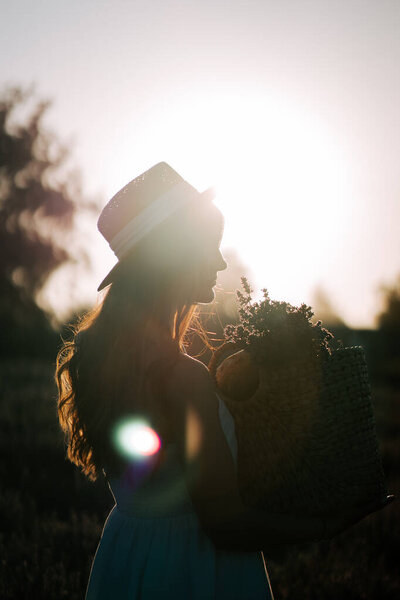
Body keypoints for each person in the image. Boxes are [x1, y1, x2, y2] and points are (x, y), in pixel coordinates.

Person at [55, 162, 393, 600]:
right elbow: (225, 525)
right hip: (193, 573)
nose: (219, 261)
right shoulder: (181, 378)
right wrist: (327, 526)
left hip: (127, 558)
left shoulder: (98, 360)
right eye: (208, 247)